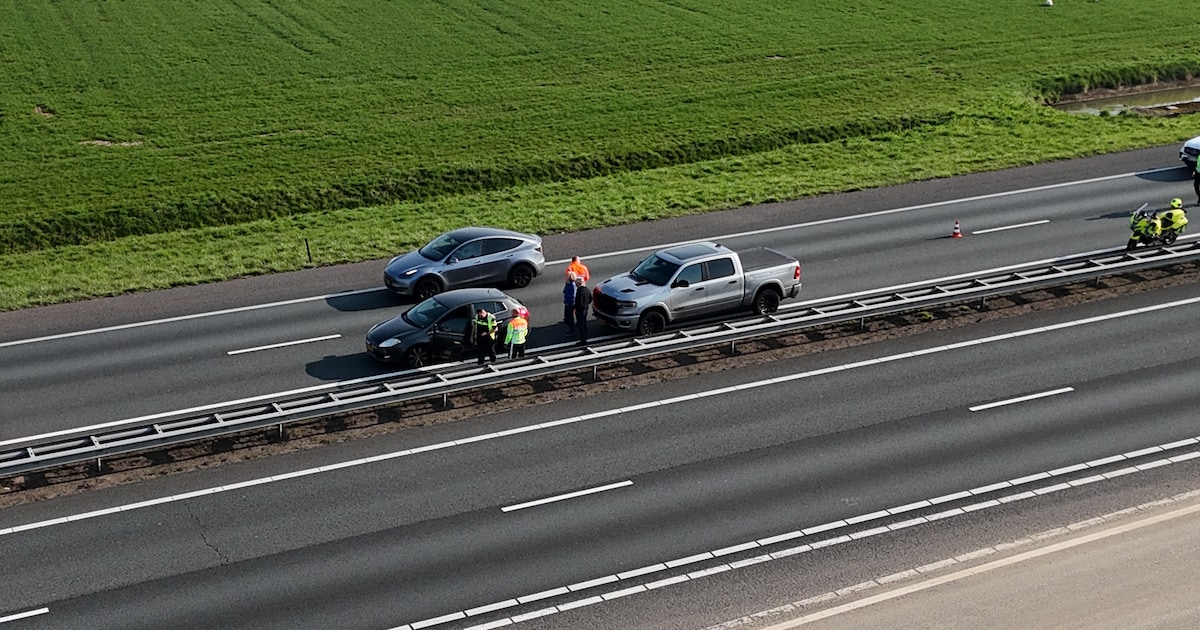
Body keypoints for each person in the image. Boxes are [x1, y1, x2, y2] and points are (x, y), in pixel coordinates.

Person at [573, 276, 592, 345]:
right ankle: (584, 338)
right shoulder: (587, 289)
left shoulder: (580, 291)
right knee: (584, 324)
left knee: (581, 325)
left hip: (580, 310)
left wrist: (576, 309)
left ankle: (583, 340)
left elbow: (579, 302)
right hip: (585, 309)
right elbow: (590, 299)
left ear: (578, 283)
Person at [562, 271, 578, 336]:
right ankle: (570, 326)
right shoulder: (569, 284)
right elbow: (564, 291)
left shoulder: (573, 285)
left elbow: (573, 296)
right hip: (567, 303)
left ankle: (572, 330)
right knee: (567, 316)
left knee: (570, 317)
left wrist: (570, 303)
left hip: (570, 304)